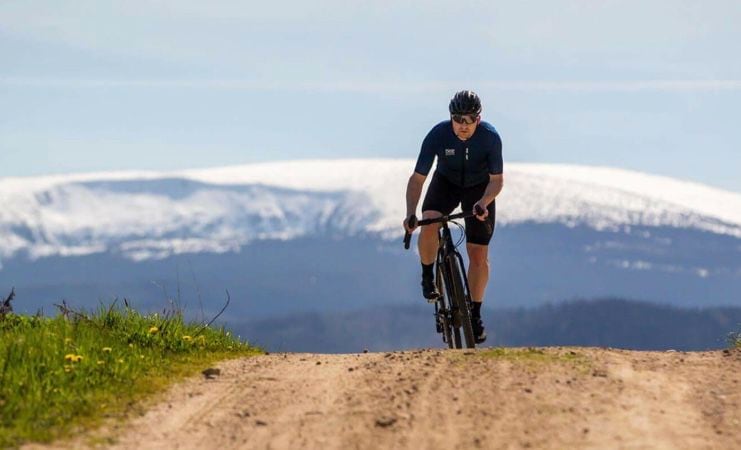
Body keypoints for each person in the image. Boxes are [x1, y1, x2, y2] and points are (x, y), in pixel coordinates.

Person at [403, 90, 503, 344]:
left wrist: (484, 202)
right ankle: (428, 274)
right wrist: (410, 213)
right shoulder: (438, 135)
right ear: (451, 118)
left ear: (478, 120)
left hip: (479, 190)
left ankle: (475, 315)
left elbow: (497, 181)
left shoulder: (490, 138)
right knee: (430, 220)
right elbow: (417, 180)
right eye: (457, 119)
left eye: (469, 119)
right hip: (445, 183)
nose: (462, 125)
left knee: (478, 254)